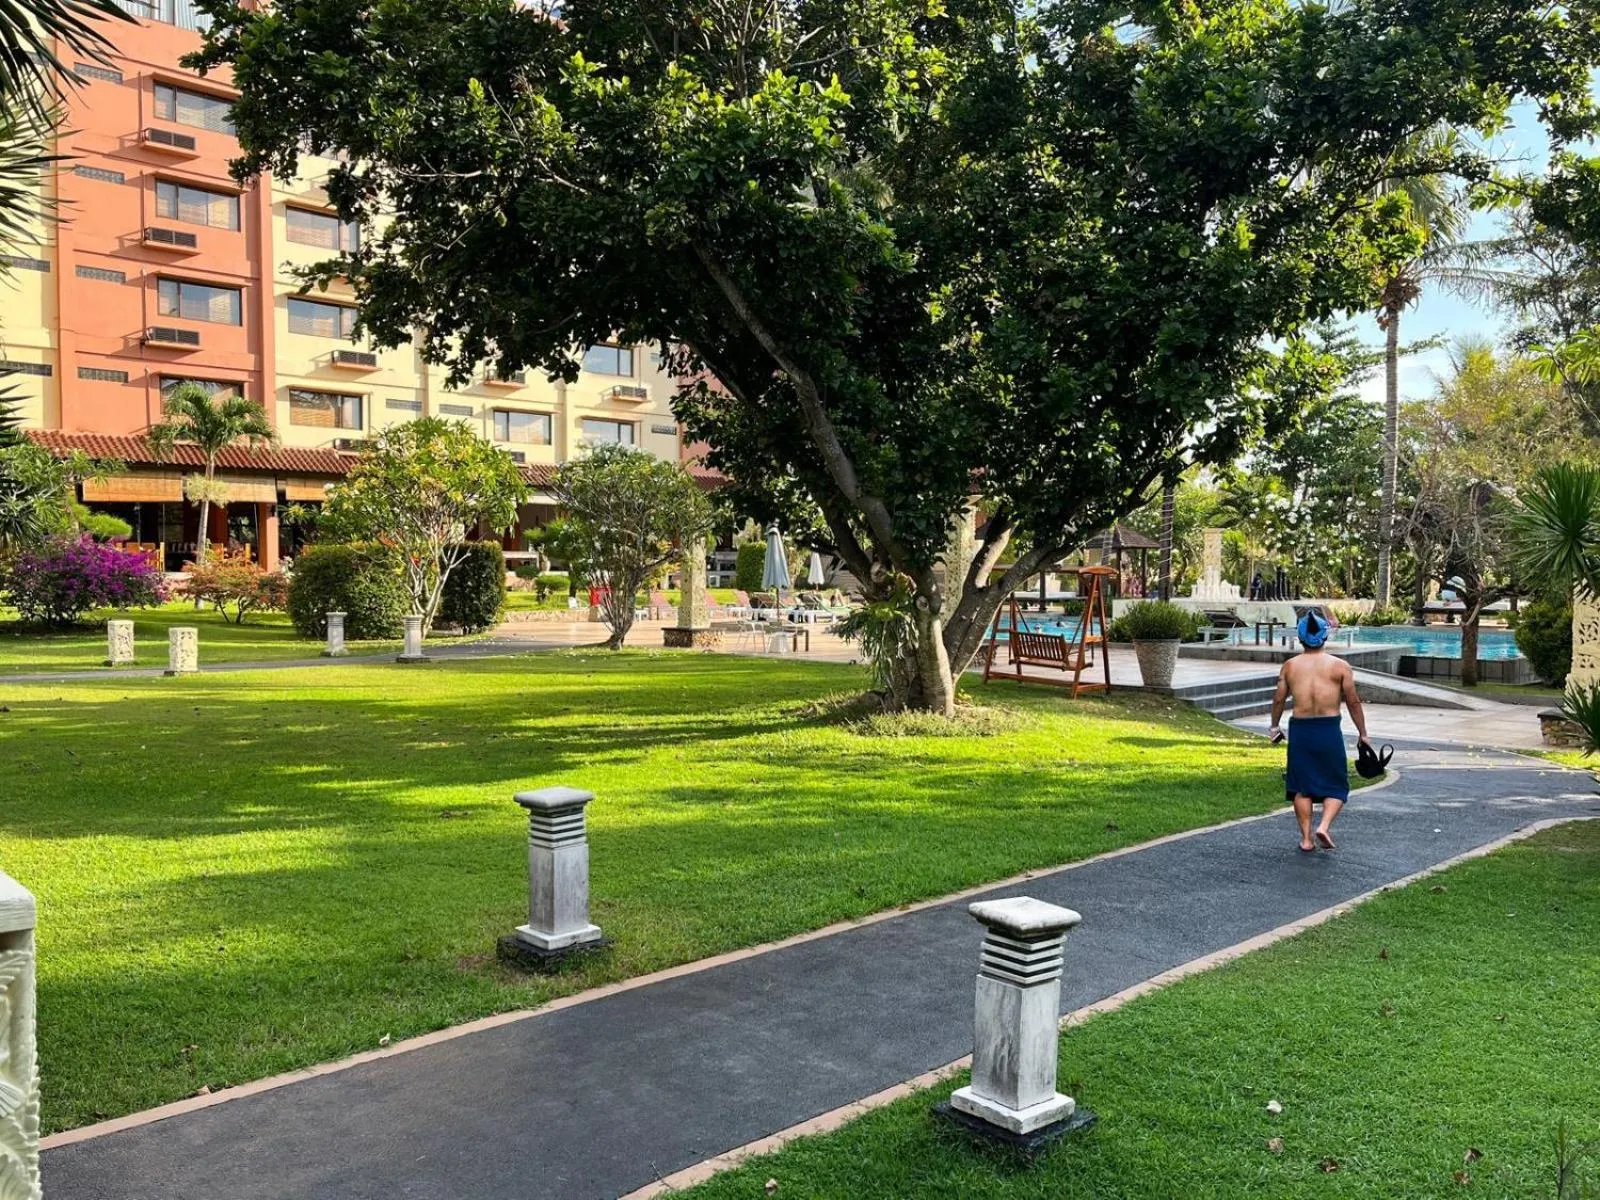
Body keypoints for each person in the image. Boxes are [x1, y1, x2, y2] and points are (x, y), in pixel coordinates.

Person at [1268, 611, 1372, 852]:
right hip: (1328, 730)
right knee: (1336, 785)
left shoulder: (1290, 666)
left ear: (1300, 638)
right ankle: (1324, 826)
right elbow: (1353, 702)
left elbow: (1278, 700)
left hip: (1301, 731)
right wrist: (1363, 732)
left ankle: (1306, 839)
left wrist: (1274, 726)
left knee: (1302, 786)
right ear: (1325, 637)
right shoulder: (1340, 667)